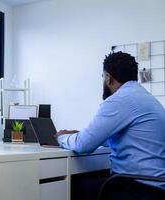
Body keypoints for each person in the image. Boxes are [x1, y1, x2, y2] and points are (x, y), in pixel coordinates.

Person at [56, 52, 165, 199]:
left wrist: (62, 137)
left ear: (108, 78)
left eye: (103, 77)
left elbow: (84, 145)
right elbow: (125, 138)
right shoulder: (147, 98)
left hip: (137, 189)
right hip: (155, 188)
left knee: (73, 186)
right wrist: (81, 134)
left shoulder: (120, 100)